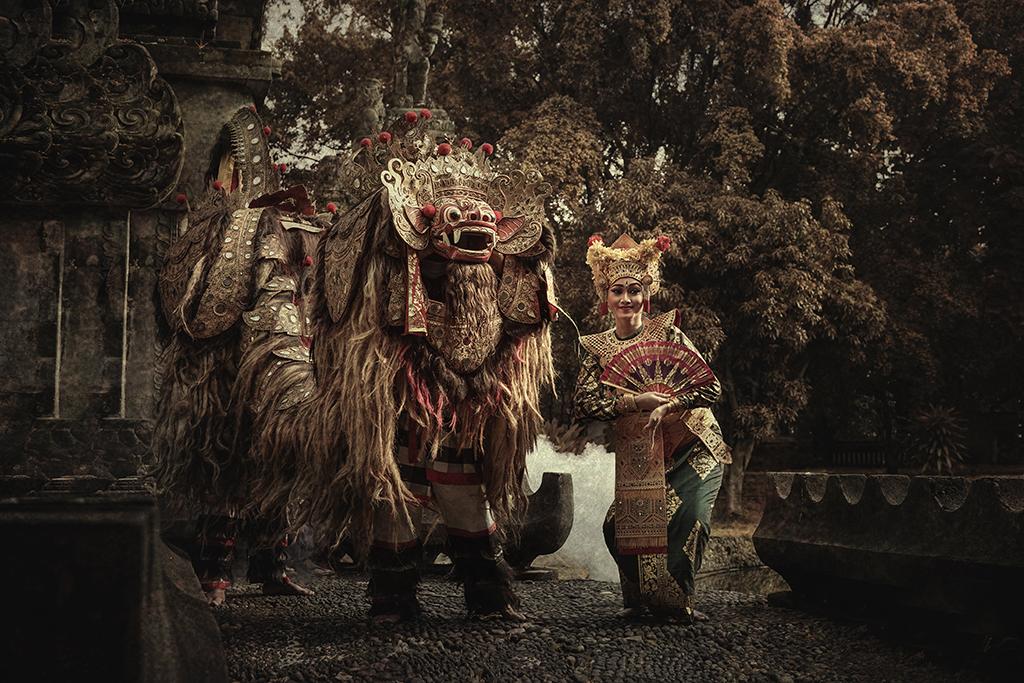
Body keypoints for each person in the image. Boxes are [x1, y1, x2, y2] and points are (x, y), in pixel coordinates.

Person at [572, 233, 731, 622]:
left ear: (646, 296)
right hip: (642, 451)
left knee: (689, 517)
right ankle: (641, 599)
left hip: (695, 442)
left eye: (634, 290)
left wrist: (670, 404)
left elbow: (711, 387)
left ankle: (676, 604)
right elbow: (583, 404)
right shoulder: (595, 349)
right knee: (618, 526)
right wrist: (635, 403)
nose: (626, 298)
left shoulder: (669, 333)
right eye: (618, 291)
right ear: (606, 298)